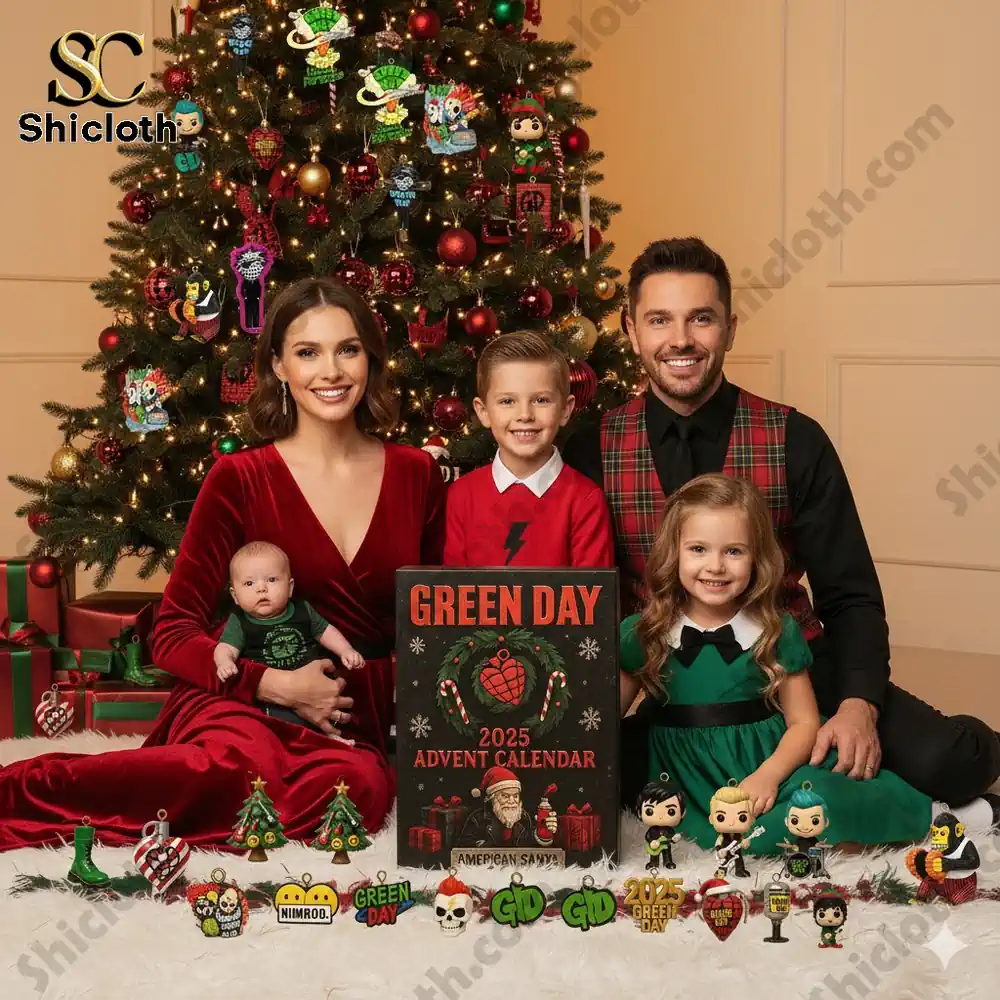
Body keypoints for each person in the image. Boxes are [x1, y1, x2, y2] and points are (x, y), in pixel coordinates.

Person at [0, 277, 445, 851]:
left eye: (348, 349)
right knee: (228, 771)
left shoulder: (417, 474)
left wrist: (354, 695)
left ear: (370, 359)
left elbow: (434, 627)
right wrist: (276, 685)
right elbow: (174, 633)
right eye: (307, 352)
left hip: (346, 719)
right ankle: (19, 790)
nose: (331, 371)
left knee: (357, 792)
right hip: (243, 701)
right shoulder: (240, 478)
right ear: (279, 367)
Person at [566, 236, 1000, 809]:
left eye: (701, 318)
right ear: (630, 330)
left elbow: (850, 594)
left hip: (789, 669)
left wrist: (856, 706)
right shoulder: (590, 447)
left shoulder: (795, 438)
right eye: (659, 320)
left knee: (947, 764)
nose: (680, 340)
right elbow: (575, 597)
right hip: (669, 685)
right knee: (580, 788)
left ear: (730, 327)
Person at [618, 474, 996, 858]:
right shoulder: (643, 633)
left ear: (757, 558)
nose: (715, 566)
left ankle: (943, 819)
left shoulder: (775, 629)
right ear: (673, 553)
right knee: (741, 843)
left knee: (816, 807)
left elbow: (804, 723)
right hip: (687, 783)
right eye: (698, 549)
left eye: (734, 551)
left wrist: (766, 778)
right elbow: (600, 721)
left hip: (769, 766)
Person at [444, 331, 614, 568]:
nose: (525, 415)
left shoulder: (585, 499)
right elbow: (453, 593)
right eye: (507, 401)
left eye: (541, 400)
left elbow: (592, 598)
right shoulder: (461, 496)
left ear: (566, 409)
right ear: (483, 411)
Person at [215, 540, 365, 733]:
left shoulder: (302, 610)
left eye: (271, 580)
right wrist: (224, 662)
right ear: (235, 596)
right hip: (271, 695)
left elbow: (326, 631)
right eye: (249, 583)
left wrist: (346, 650)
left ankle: (330, 736)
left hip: (312, 683)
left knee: (329, 712)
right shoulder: (240, 622)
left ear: (290, 586)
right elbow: (226, 647)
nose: (261, 588)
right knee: (266, 723)